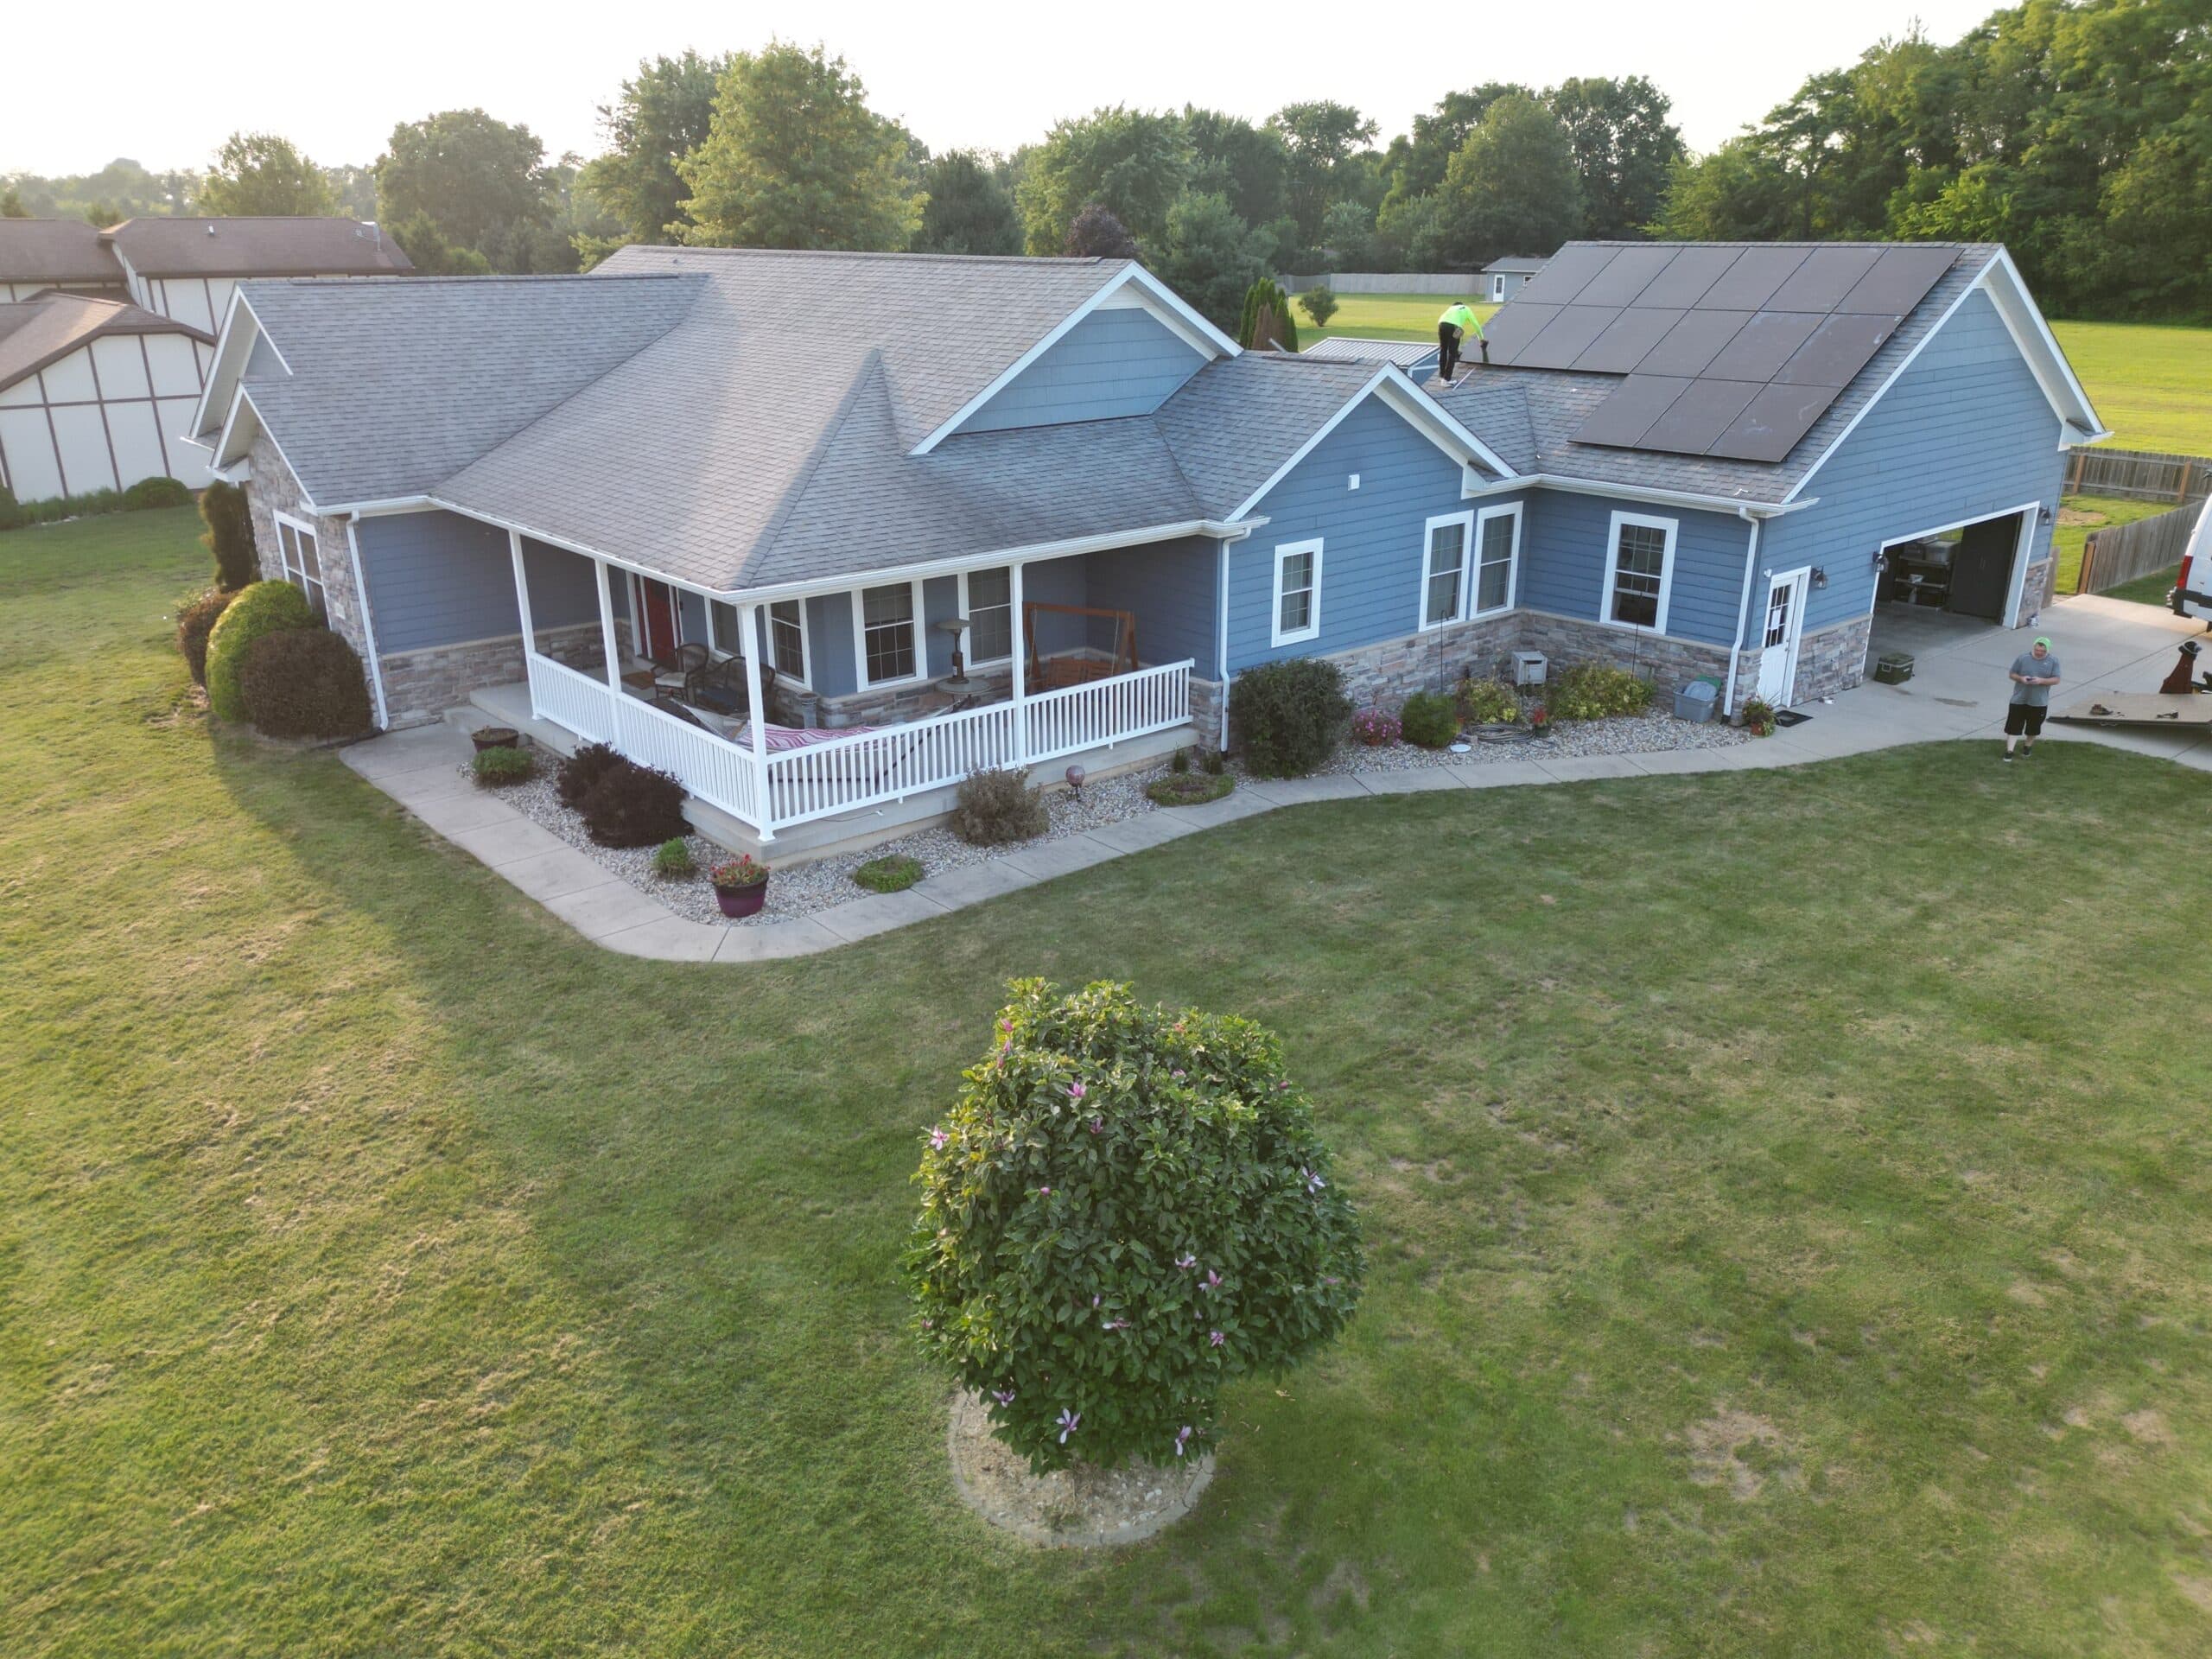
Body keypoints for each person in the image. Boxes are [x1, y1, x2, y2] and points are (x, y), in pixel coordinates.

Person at [2003, 635, 2062, 760]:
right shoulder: (2022, 658)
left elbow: (2056, 679)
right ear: (2034, 647)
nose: (2039, 653)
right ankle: (2009, 751)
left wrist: (2041, 680)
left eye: (2043, 651)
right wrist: (2021, 679)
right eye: (2037, 650)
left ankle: (2027, 747)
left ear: (2048, 650)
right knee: (2013, 726)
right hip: (2019, 699)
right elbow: (2012, 674)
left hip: (2039, 702)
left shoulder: (2053, 661)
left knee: (2033, 728)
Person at [1437, 302, 1486, 381]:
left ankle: (1442, 375)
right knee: (1452, 353)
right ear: (1462, 305)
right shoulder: (1466, 308)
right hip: (1454, 326)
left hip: (1441, 324)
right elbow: (1475, 324)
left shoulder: (1452, 308)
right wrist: (1481, 339)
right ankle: (1447, 379)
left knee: (1443, 349)